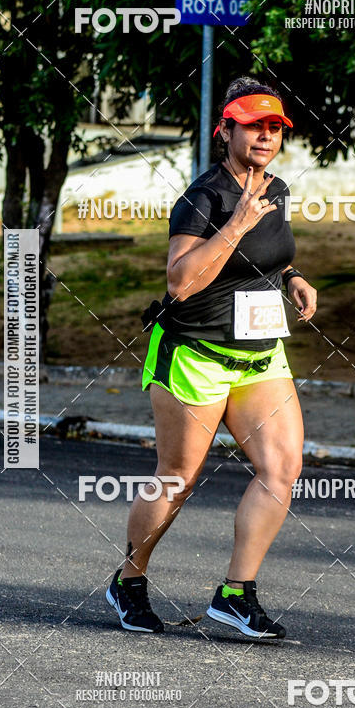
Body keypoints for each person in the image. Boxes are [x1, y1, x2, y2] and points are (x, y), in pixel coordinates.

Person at [106, 76, 317, 639]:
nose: (266, 136)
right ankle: (129, 580)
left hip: (260, 354)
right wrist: (235, 224)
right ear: (226, 130)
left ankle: (235, 594)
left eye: (275, 127)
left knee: (282, 468)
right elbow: (181, 281)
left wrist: (292, 277)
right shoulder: (204, 197)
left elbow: (266, 256)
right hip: (194, 352)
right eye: (254, 126)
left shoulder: (278, 189)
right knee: (178, 478)